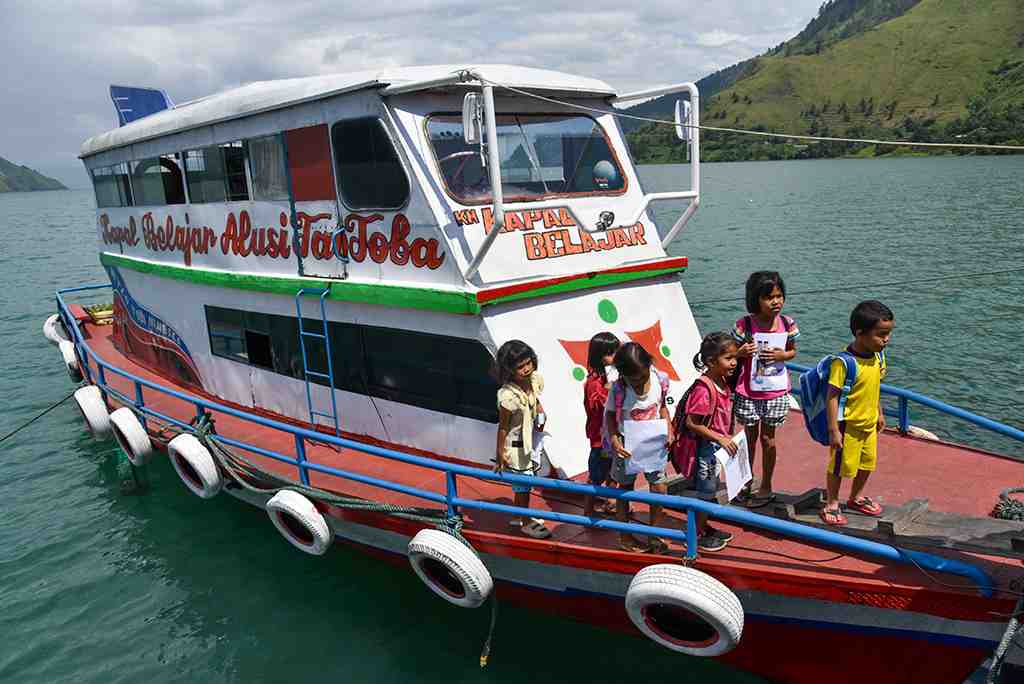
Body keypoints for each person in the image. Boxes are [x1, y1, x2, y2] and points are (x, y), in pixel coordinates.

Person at [821, 300, 895, 526]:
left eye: (888, 334)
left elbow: (874, 387)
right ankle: (832, 502)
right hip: (848, 425)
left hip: (869, 423)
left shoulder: (878, 357)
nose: (886, 339)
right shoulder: (844, 363)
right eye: (881, 334)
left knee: (867, 463)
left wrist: (879, 413)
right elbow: (832, 396)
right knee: (839, 466)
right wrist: (834, 429)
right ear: (860, 333)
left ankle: (856, 496)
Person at [732, 271, 800, 507]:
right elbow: (731, 353)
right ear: (755, 299)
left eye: (779, 296)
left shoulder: (787, 323)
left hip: (775, 389)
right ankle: (746, 480)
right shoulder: (744, 324)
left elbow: (792, 350)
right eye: (769, 297)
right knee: (749, 439)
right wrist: (741, 353)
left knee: (768, 440)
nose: (776, 302)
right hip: (748, 391)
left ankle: (767, 484)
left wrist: (783, 355)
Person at [605, 342, 672, 553]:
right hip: (627, 445)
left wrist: (669, 429)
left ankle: (655, 533)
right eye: (634, 379)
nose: (640, 382)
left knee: (659, 486)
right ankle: (625, 535)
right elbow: (608, 415)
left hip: (654, 444)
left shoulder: (659, 379)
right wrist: (615, 439)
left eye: (643, 376)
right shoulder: (618, 389)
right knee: (625, 490)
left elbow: (662, 408)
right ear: (623, 374)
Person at [682, 332, 740, 552]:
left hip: (716, 447)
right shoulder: (704, 389)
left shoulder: (721, 381)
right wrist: (720, 438)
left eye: (734, 357)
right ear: (711, 362)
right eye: (728, 358)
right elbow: (692, 423)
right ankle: (694, 535)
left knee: (710, 489)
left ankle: (702, 526)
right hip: (708, 448)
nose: (734, 362)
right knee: (706, 492)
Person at [493, 340, 551, 539]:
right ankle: (526, 522)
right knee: (524, 483)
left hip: (530, 440)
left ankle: (519, 516)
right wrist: (500, 454)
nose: (526, 369)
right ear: (509, 370)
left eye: (528, 363)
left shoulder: (532, 381)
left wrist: (541, 412)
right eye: (520, 367)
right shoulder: (508, 396)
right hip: (516, 445)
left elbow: (535, 398)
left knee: (525, 482)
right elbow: (503, 427)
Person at [583, 332, 621, 517]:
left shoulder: (617, 377)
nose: (614, 357)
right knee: (597, 474)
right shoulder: (593, 382)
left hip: (616, 435)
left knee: (614, 470)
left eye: (616, 352)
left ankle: (610, 501)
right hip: (600, 437)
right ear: (598, 357)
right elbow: (595, 406)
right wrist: (608, 391)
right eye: (609, 353)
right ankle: (588, 510)